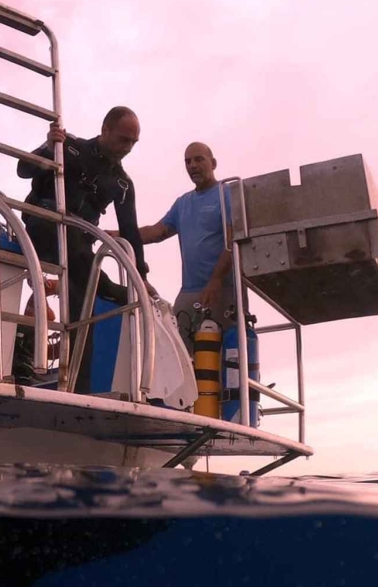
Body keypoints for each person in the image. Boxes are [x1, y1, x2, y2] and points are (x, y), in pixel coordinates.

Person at [13, 106, 149, 392]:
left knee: (85, 300)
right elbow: (22, 170)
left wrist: (142, 277)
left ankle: (78, 386)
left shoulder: (122, 184)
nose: (127, 148)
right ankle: (107, 287)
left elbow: (130, 233)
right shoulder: (70, 147)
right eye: (124, 139)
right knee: (92, 278)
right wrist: (49, 146)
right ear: (105, 129)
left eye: (133, 143)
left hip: (80, 244)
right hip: (44, 225)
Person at [136, 142, 238, 350]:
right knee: (178, 350)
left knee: (224, 356)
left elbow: (233, 242)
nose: (192, 165)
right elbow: (156, 232)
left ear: (213, 163)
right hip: (189, 291)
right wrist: (119, 235)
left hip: (221, 289)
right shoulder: (183, 203)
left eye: (198, 159)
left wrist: (216, 281)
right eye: (187, 161)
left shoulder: (226, 194)